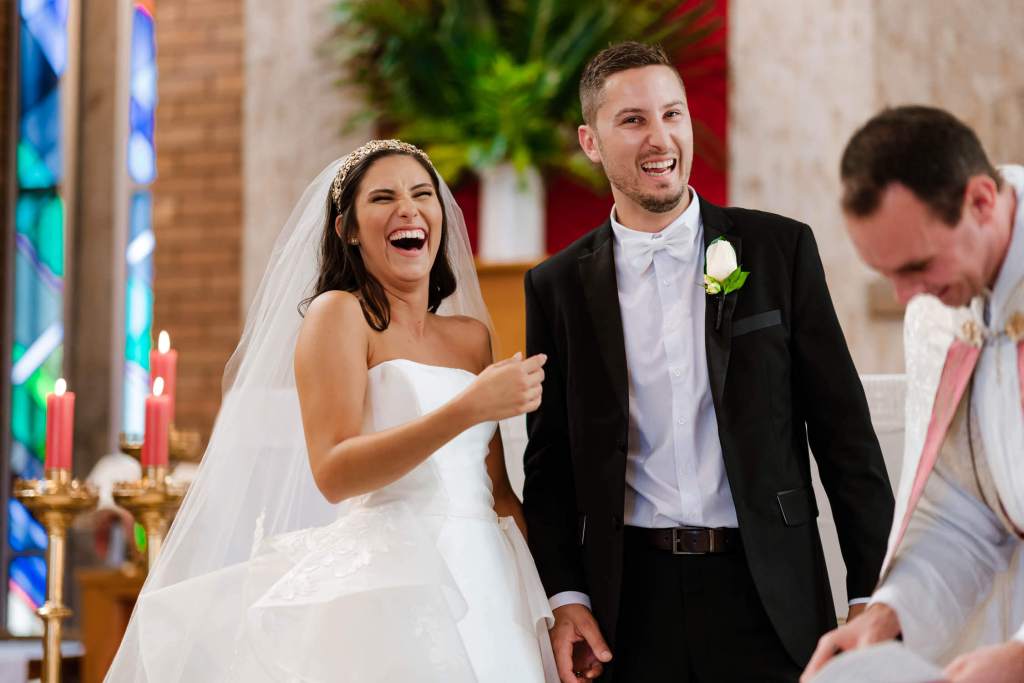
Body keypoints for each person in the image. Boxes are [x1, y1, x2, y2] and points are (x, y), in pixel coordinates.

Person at [106, 140, 558, 682]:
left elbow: (500, 494)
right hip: (395, 580)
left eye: (422, 195)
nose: (408, 210)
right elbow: (334, 471)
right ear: (347, 227)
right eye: (383, 198)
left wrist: (547, 601)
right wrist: (468, 407)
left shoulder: (470, 338)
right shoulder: (340, 314)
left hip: (490, 578)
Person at [521, 42, 895, 682]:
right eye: (633, 120)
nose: (660, 137)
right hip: (627, 605)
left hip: (769, 591)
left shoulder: (780, 249)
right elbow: (550, 460)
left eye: (674, 114)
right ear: (590, 140)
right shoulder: (555, 286)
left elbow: (846, 439)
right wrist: (567, 599)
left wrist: (873, 594)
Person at [803, 106, 1024, 683]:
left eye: (918, 266)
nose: (907, 297)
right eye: (887, 275)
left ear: (981, 201)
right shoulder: (940, 306)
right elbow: (966, 510)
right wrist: (890, 615)